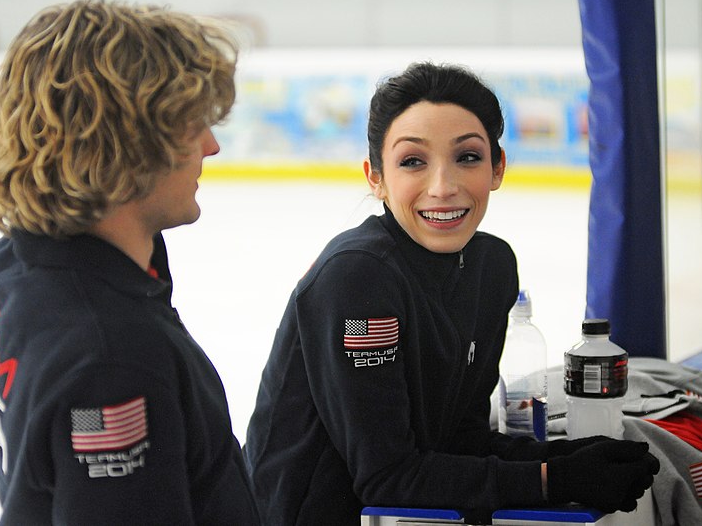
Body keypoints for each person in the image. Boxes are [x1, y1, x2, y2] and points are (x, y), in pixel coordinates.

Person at [243, 62, 660, 524]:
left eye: (467, 157)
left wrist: (567, 457)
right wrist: (550, 480)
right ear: (376, 177)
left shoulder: (492, 268)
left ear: (497, 168)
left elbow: (460, 440)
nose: (443, 187)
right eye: (413, 162)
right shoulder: (357, 277)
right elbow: (385, 477)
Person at [0, 0, 260, 524]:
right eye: (190, 127)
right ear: (127, 146)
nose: (211, 145)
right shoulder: (111, 364)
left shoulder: (9, 264)